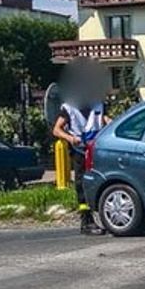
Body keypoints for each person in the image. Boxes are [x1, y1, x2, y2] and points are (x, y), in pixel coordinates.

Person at [52, 90, 111, 235]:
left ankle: (104, 217)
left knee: (101, 181)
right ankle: (86, 221)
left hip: (96, 150)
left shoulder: (98, 105)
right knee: (82, 184)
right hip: (79, 151)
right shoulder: (69, 108)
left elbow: (107, 120)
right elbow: (56, 130)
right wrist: (71, 138)